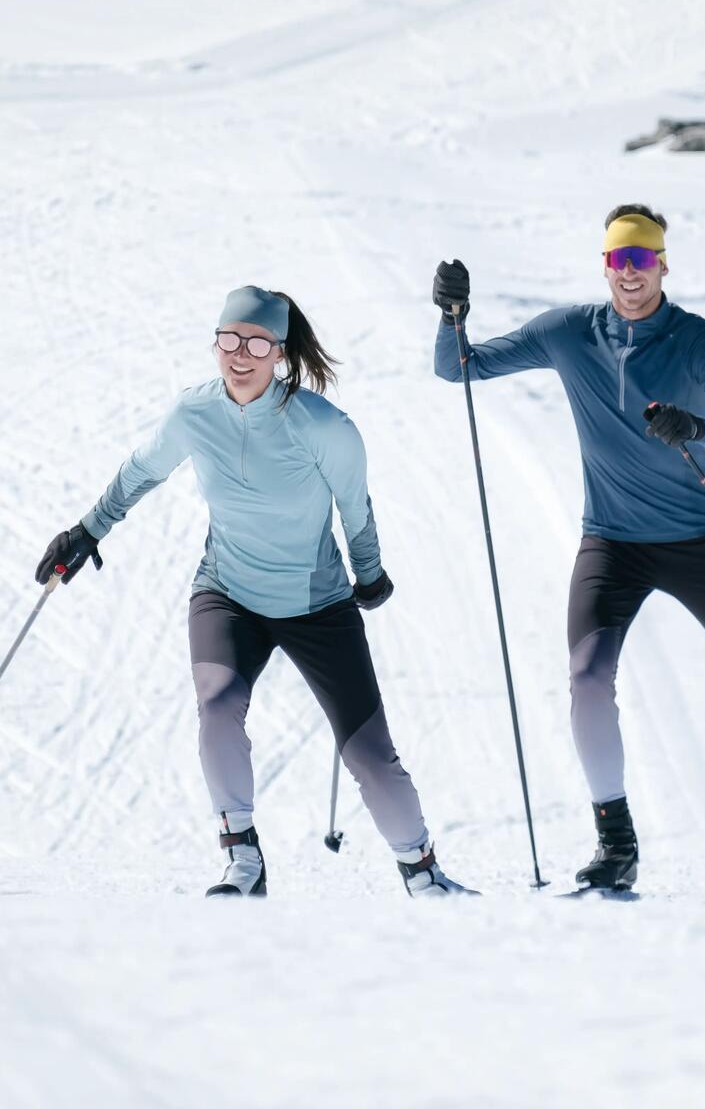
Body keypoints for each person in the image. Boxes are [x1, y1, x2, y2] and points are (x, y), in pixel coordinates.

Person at [432, 206, 705, 898]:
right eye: (619, 261)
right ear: (604, 266)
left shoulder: (699, 341)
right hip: (612, 543)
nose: (631, 274)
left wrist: (693, 425)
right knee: (585, 682)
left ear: (663, 265)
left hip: (698, 541)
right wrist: (452, 314)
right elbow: (456, 368)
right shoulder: (568, 332)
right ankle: (616, 845)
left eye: (642, 260)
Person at [37, 285, 470, 899]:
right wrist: (87, 530)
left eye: (258, 342)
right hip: (228, 595)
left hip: (318, 605)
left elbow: (355, 508)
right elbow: (142, 471)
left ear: (280, 352)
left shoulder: (323, 428)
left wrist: (368, 572)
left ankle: (423, 871)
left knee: (371, 756)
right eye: (229, 339)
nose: (241, 354)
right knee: (216, 711)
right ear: (216, 342)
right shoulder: (194, 414)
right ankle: (243, 857)